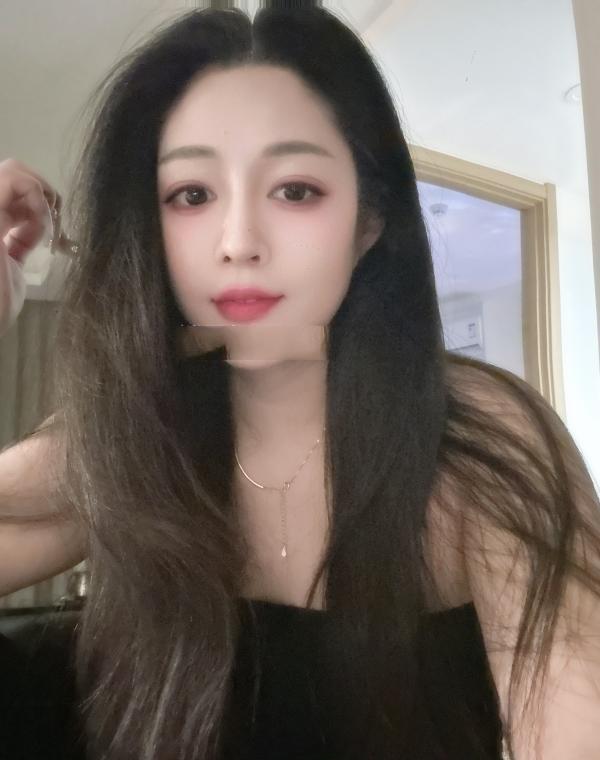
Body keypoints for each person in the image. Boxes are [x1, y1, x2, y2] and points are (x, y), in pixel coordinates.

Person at [0, 2, 599, 759]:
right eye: (192, 195)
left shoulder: (475, 439)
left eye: (294, 190)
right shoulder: (139, 447)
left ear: (369, 223)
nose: (238, 242)